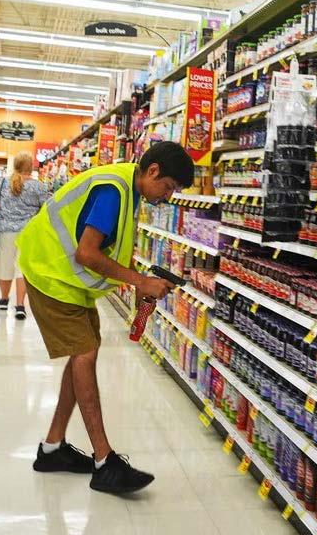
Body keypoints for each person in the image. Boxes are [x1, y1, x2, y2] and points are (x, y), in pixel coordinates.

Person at [17, 142, 194, 496]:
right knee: (85, 354)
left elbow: (104, 248)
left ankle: (52, 448)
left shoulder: (128, 186)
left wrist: (139, 281)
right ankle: (104, 461)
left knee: (83, 352)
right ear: (153, 171)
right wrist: (140, 281)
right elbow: (86, 253)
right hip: (49, 271)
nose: (168, 196)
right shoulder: (114, 191)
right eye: (169, 187)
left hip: (66, 279)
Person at [0, 151, 49, 320]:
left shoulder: (1, 183)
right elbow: (47, 210)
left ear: (15, 165)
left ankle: (4, 299)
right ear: (31, 167)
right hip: (28, 233)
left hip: (5, 231)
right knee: (22, 269)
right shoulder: (39, 186)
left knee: (5, 266)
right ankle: (20, 305)